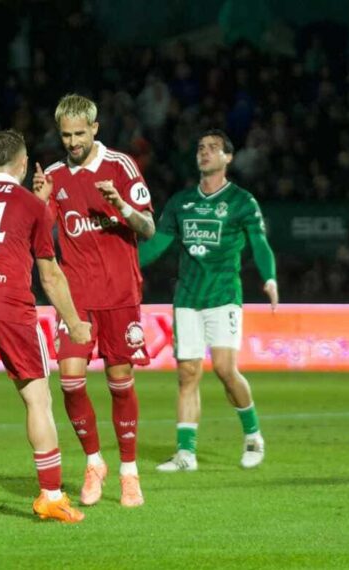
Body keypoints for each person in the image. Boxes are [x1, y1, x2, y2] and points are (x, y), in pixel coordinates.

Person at [0, 129, 92, 523]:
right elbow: (50, 276)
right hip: (8, 308)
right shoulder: (31, 206)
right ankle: (50, 495)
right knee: (38, 400)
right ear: (25, 165)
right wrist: (75, 323)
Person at [31, 94, 156, 508]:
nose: (72, 142)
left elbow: (149, 227)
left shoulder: (120, 167)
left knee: (120, 383)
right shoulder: (52, 176)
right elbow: (39, 234)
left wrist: (120, 205)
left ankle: (129, 472)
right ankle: (93, 461)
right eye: (65, 135)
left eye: (79, 134)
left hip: (120, 294)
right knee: (69, 379)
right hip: (76, 298)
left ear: (95, 128)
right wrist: (38, 202)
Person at [139, 129, 278, 472]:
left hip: (223, 296)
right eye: (201, 147)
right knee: (187, 374)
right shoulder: (181, 203)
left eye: (214, 148)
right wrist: (121, 266)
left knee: (224, 369)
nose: (205, 152)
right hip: (187, 297)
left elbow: (259, 243)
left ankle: (253, 436)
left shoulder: (242, 202)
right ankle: (186, 454)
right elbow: (157, 245)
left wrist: (269, 276)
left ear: (228, 157)